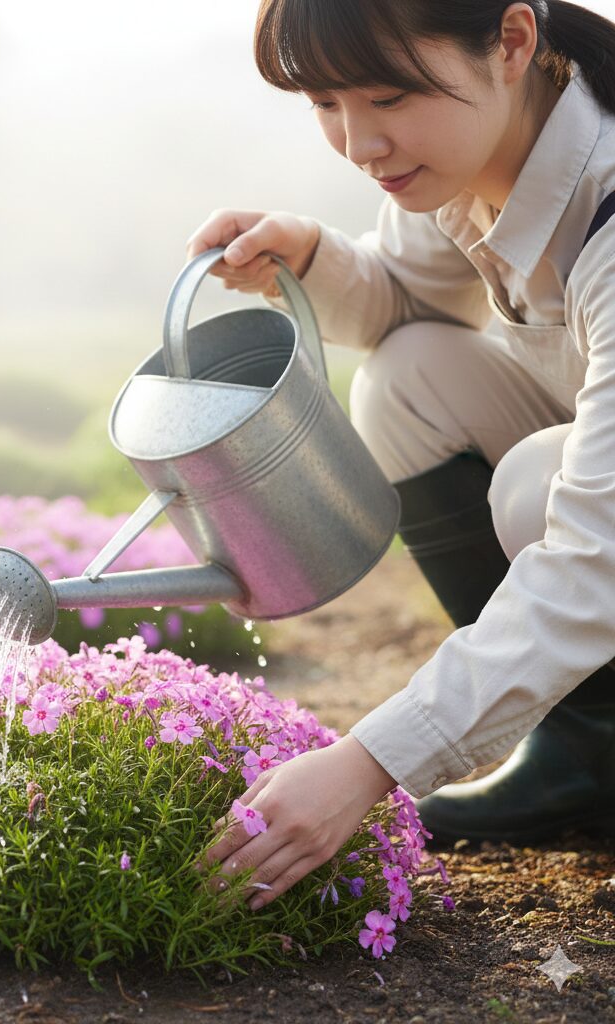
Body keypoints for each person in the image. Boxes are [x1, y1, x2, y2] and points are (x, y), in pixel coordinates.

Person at [189, 0, 615, 915]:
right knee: (406, 380)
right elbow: (404, 304)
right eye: (327, 104)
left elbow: (598, 557)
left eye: (387, 97)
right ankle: (591, 749)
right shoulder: (484, 153)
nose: (360, 143)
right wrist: (305, 256)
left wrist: (368, 763)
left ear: (510, 41)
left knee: (545, 490)